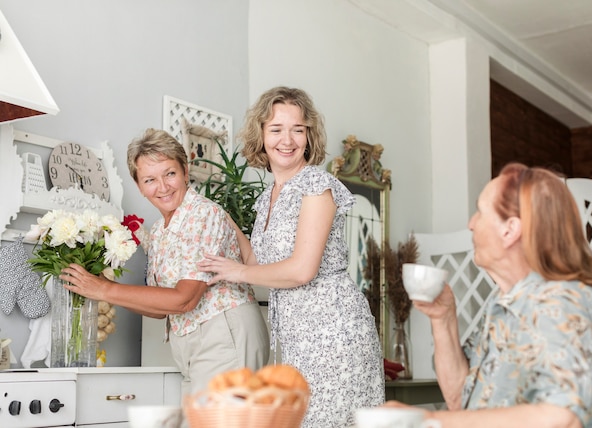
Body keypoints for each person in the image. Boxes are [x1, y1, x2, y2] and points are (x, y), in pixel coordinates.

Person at [198, 86, 385, 427]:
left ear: (309, 136)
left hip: (335, 334)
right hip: (299, 340)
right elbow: (261, 266)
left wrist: (235, 272)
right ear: (261, 136)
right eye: (276, 129)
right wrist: (227, 222)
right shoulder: (268, 196)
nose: (287, 140)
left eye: (298, 129)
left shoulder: (317, 185)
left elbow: (301, 270)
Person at [386, 163, 592, 427]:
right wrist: (443, 319)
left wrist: (430, 419)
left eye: (480, 212)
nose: (471, 224)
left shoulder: (562, 300)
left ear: (510, 230)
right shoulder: (502, 302)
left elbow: (561, 416)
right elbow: (461, 401)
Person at [60, 128, 270, 397]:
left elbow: (184, 300)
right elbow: (161, 310)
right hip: (192, 344)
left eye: (170, 173)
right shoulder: (160, 231)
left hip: (223, 332)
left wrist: (103, 290)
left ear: (184, 171)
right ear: (139, 185)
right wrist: (102, 290)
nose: (162, 187)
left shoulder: (202, 214)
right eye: (150, 179)